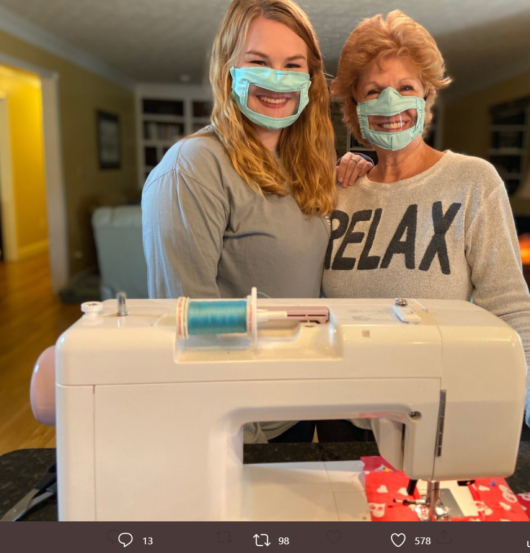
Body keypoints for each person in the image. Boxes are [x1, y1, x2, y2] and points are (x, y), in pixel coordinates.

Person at [323, 10, 530, 487]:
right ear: (353, 106)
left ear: (428, 97)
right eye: (373, 90)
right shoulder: (336, 188)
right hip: (338, 424)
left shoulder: (472, 182)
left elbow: (510, 308)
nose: (391, 101)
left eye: (406, 87)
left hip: (436, 426)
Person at [142, 0, 369, 443]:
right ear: (229, 67)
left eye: (292, 65)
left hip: (295, 404)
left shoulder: (302, 165)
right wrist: (245, 439)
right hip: (243, 421)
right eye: (258, 62)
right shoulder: (194, 167)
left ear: (310, 79)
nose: (277, 79)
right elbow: (189, 321)